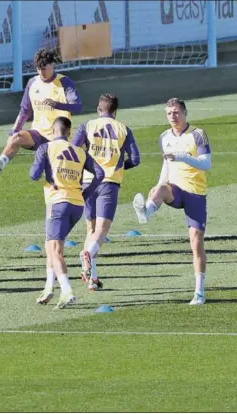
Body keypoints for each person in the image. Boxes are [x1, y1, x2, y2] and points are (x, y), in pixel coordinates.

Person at [132, 98, 210, 306]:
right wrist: (157, 187)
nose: (173, 117)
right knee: (159, 189)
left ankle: (199, 292)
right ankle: (146, 212)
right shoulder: (164, 137)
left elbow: (207, 163)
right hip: (174, 189)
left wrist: (184, 157)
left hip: (195, 192)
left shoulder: (198, 134)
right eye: (169, 113)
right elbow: (166, 165)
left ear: (185, 113)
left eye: (176, 112)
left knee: (196, 242)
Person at [30, 117, 104, 308]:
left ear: (52, 130)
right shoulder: (79, 151)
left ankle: (66, 290)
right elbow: (100, 173)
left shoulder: (45, 148)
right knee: (50, 245)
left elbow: (33, 175)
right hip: (77, 205)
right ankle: (48, 287)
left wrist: (47, 174)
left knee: (55, 250)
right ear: (69, 133)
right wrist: (87, 191)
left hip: (58, 202)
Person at [71, 94, 140, 291]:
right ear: (115, 111)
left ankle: (93, 278)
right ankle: (87, 254)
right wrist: (119, 167)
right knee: (102, 230)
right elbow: (135, 159)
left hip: (86, 181)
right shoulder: (124, 129)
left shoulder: (87, 125)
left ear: (98, 109)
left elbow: (74, 151)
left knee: (90, 229)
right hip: (109, 182)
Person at [0, 48, 82, 174]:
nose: (41, 72)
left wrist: (58, 105)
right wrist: (14, 130)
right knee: (16, 137)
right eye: (38, 69)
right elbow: (25, 110)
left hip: (59, 137)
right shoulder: (32, 83)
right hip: (38, 134)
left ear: (52, 65)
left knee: (58, 175)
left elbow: (77, 106)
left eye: (44, 68)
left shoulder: (64, 82)